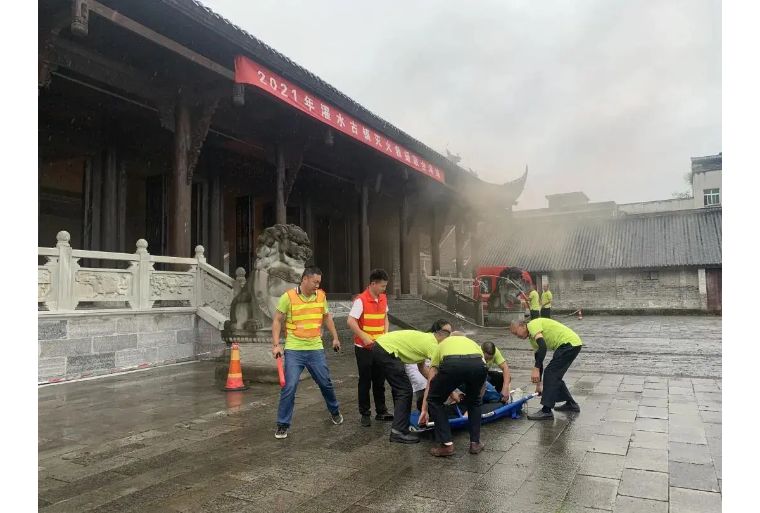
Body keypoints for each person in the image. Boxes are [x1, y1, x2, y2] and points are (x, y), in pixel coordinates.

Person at [272, 266, 343, 439]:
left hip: (315, 348)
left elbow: (326, 317)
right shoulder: (288, 297)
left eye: (319, 282)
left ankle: (334, 411)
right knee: (289, 387)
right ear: (304, 279)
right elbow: (277, 320)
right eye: (315, 282)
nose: (317, 285)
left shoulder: (321, 296)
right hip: (294, 349)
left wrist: (335, 338)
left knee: (325, 383)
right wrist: (276, 345)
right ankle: (282, 424)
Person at [372, 320, 452, 444]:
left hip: (382, 347)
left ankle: (400, 426)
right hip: (387, 350)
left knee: (401, 389)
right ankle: (398, 432)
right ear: (442, 337)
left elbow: (423, 369)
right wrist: (453, 392)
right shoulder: (433, 345)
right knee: (404, 391)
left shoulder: (426, 339)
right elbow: (439, 375)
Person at [419, 333, 488, 456]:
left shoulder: (442, 344)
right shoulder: (473, 344)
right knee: (474, 401)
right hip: (478, 365)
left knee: (435, 400)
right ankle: (475, 443)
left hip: (452, 363)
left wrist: (425, 408)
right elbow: (483, 374)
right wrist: (477, 397)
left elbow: (432, 377)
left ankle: (447, 445)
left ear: (450, 337)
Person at [508, 318, 583, 420]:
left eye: (516, 333)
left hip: (569, 344)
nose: (517, 336)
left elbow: (543, 347)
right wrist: (538, 385)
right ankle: (571, 404)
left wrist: (535, 369)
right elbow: (539, 359)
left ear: (522, 325)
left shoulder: (532, 325)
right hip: (571, 345)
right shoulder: (532, 339)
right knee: (554, 375)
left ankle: (546, 411)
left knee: (551, 374)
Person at [347, 268, 393, 427]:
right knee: (365, 381)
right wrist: (364, 336)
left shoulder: (383, 298)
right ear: (373, 284)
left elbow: (385, 317)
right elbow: (350, 321)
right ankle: (365, 413)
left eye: (385, 286)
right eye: (382, 286)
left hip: (379, 346)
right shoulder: (361, 300)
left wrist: (386, 333)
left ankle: (381, 411)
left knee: (379, 380)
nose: (384, 289)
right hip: (363, 348)